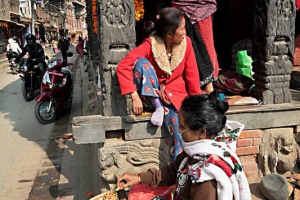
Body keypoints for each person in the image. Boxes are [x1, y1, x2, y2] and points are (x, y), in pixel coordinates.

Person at [117, 92, 251, 200]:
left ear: (202, 132)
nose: (179, 132)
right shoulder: (194, 152)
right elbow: (172, 171)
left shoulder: (205, 176)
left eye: (182, 127)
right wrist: (139, 178)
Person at [116, 7, 203, 160]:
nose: (184, 32)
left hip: (175, 101)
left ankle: (179, 173)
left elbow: (192, 75)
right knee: (141, 63)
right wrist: (134, 96)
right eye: (181, 29)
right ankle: (158, 107)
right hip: (152, 97)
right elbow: (123, 66)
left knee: (179, 132)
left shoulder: (187, 43)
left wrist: (197, 105)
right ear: (169, 34)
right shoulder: (150, 44)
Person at [172, 0, 219, 94]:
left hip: (202, 7)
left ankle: (208, 84)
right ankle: (186, 85)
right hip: (180, 5)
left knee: (206, 45)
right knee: (182, 46)